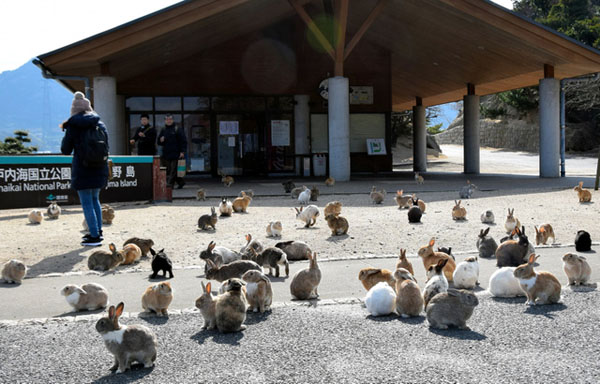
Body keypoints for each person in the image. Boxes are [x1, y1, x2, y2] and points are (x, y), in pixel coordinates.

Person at [60, 92, 109, 247]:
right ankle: (98, 231)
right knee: (95, 200)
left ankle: (94, 237)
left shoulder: (73, 125)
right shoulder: (100, 123)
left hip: (83, 168)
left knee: (87, 202)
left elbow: (65, 150)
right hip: (100, 167)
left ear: (74, 110)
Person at [157, 113, 187, 189]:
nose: (168, 121)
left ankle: (169, 184)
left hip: (176, 153)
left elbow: (183, 141)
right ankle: (181, 182)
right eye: (167, 119)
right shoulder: (163, 130)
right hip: (166, 154)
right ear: (165, 121)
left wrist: (182, 151)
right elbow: (159, 142)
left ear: (173, 120)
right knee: (169, 170)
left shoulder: (177, 129)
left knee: (173, 170)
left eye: (170, 119)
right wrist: (161, 140)